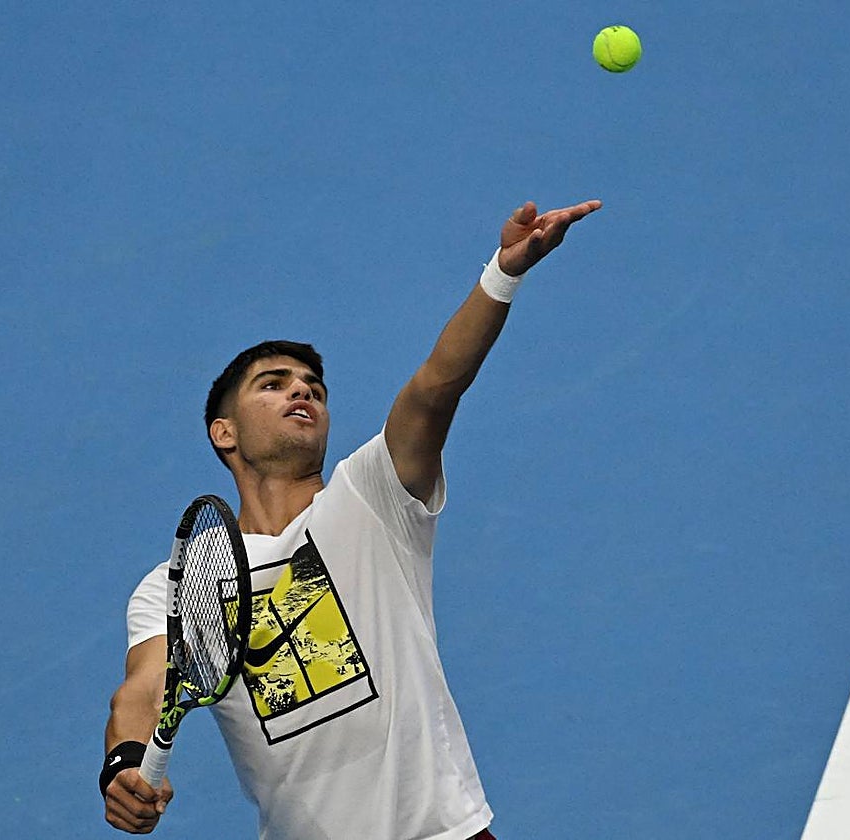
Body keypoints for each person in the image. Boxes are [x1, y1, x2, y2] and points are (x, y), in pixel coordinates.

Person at [101, 198, 602, 839]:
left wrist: (501, 276)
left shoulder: (373, 496)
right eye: (273, 383)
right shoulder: (183, 585)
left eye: (312, 384)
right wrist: (126, 763)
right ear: (222, 432)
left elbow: (436, 386)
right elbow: (143, 691)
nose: (301, 390)